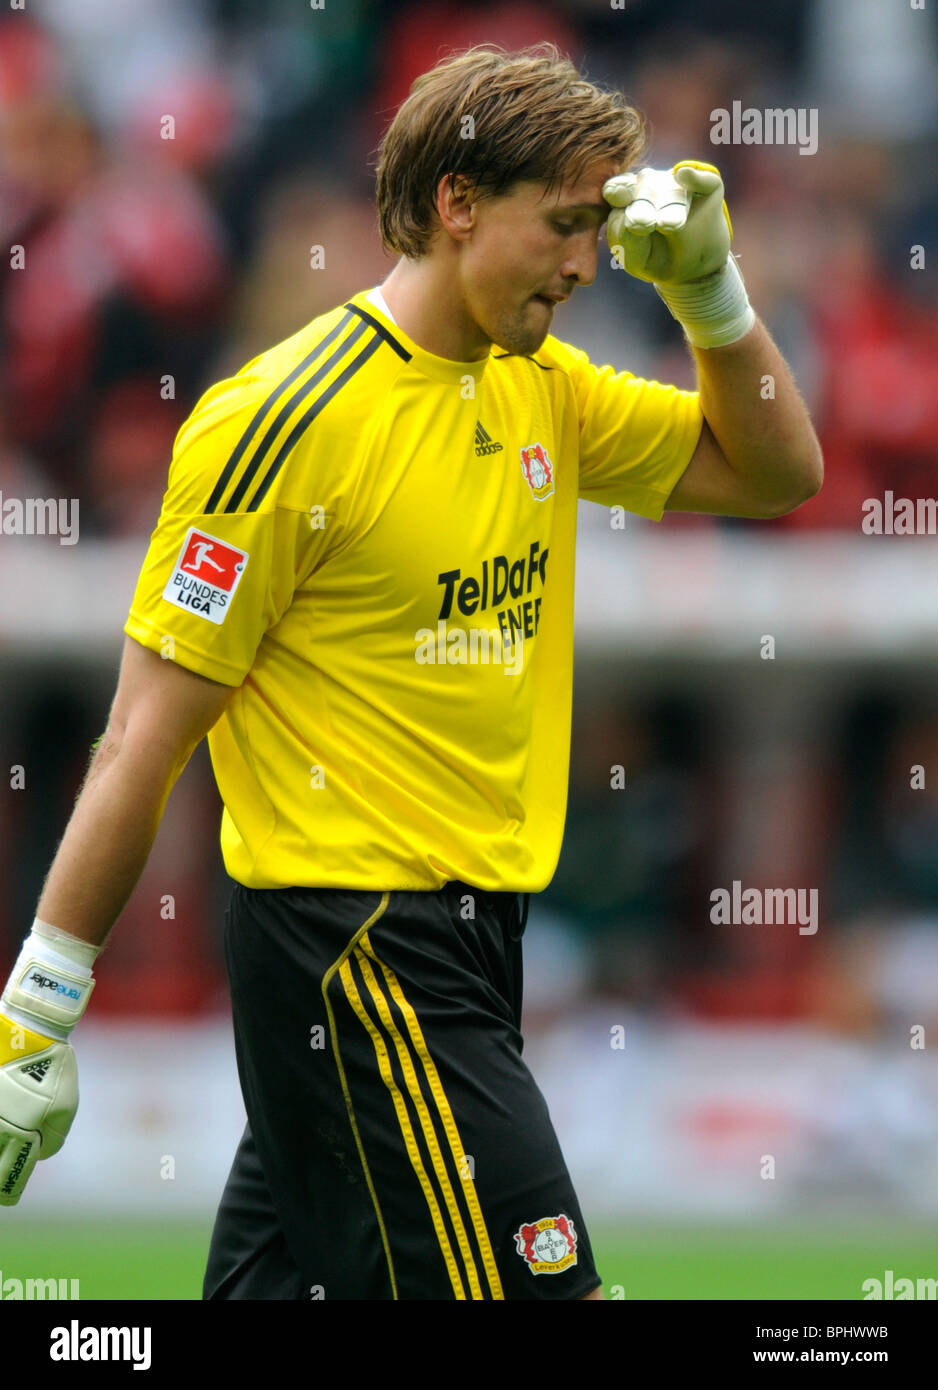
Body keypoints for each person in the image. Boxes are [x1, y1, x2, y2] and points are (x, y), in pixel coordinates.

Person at [0, 44, 822, 1300]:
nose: (583, 263)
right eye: (560, 225)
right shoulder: (279, 422)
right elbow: (141, 735)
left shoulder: (542, 388)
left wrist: (710, 295)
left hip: (463, 942)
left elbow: (775, 473)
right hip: (365, 944)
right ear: (453, 202)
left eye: (595, 232)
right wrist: (41, 1003)